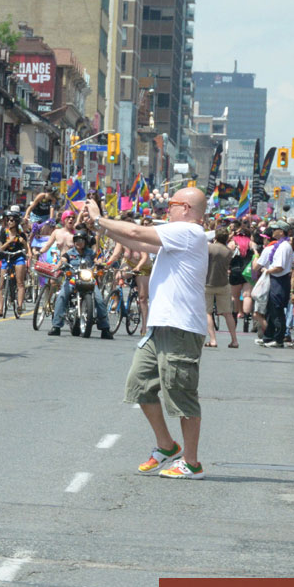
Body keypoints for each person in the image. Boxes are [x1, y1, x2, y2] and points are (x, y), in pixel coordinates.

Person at [84, 188, 209, 479]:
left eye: (173, 204)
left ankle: (192, 463)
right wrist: (102, 226)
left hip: (181, 328)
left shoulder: (189, 232)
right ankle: (166, 445)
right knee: (139, 385)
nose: (168, 208)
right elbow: (132, 239)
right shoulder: (176, 237)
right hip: (160, 326)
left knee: (181, 394)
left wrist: (100, 219)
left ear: (187, 208)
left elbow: (136, 232)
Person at [47, 231, 113, 339]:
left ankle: (105, 328)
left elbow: (97, 259)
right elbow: (63, 259)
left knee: (99, 300)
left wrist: (100, 263)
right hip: (72, 279)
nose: (79, 242)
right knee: (62, 296)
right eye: (76, 240)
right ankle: (56, 326)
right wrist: (62, 264)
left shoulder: (90, 253)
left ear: (85, 242)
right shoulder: (69, 253)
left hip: (89, 280)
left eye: (81, 240)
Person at [259, 222, 294, 348]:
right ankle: (268, 337)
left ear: (281, 231)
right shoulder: (280, 245)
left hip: (280, 280)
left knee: (277, 309)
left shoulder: (284, 246)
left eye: (275, 229)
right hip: (275, 279)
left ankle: (279, 338)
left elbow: (280, 266)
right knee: (271, 309)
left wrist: (268, 270)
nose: (272, 231)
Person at [205, 228, 238, 348]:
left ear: (216, 237)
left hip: (208, 282)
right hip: (223, 283)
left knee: (207, 312)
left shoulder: (209, 249)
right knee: (228, 313)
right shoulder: (228, 251)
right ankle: (234, 340)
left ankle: (213, 340)